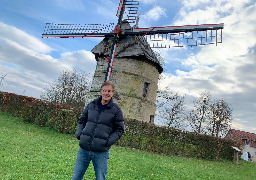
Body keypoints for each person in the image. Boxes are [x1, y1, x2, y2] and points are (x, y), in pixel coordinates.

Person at [72, 82, 124, 180]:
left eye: (109, 91)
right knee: (76, 177)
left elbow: (119, 129)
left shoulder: (116, 110)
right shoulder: (91, 105)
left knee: (100, 178)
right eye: (104, 90)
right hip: (84, 149)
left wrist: (108, 142)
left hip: (101, 151)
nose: (106, 93)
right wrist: (79, 134)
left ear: (112, 93)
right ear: (101, 92)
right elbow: (81, 121)